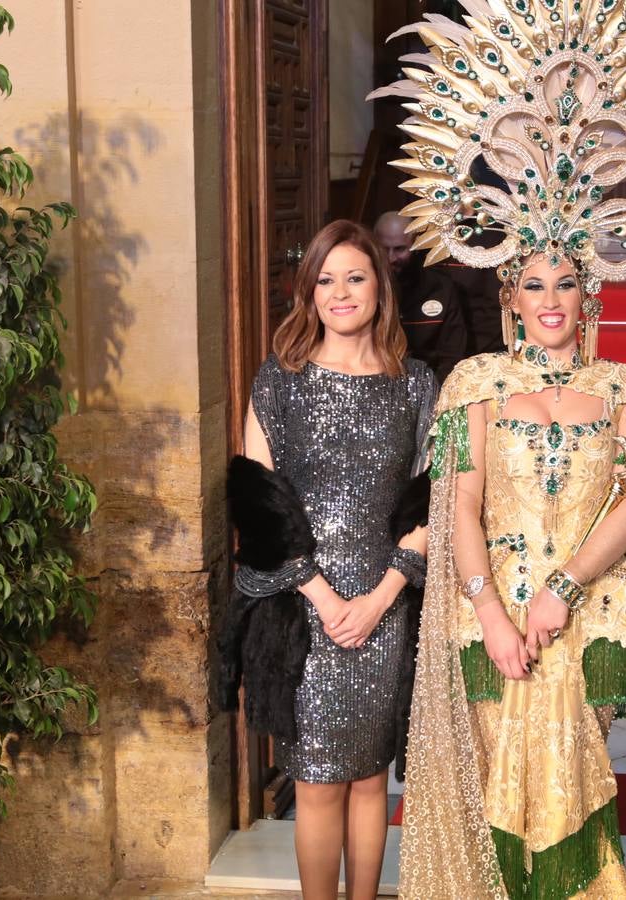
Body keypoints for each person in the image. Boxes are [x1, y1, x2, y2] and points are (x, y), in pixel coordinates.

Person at [367, 2, 626, 896]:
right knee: (494, 792)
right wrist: (492, 611)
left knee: (575, 790)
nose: (553, 296)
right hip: (486, 619)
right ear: (513, 295)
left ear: (586, 290)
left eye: (567, 279)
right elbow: (458, 506)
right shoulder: (477, 382)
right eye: (534, 283)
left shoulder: (623, 389)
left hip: (592, 613)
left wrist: (562, 591)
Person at [224, 219, 436, 900]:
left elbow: (432, 500)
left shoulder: (417, 385)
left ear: (380, 286)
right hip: (306, 610)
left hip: (386, 605)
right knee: (316, 782)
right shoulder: (279, 381)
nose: (341, 292)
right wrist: (324, 595)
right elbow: (257, 502)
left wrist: (380, 597)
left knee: (372, 779)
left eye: (355, 277)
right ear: (308, 292)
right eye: (326, 279)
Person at [374, 211, 470, 382]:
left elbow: (453, 357)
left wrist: (433, 397)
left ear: (416, 245)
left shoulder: (440, 288)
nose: (390, 258)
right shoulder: (365, 288)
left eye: (399, 249)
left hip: (431, 385)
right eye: (383, 249)